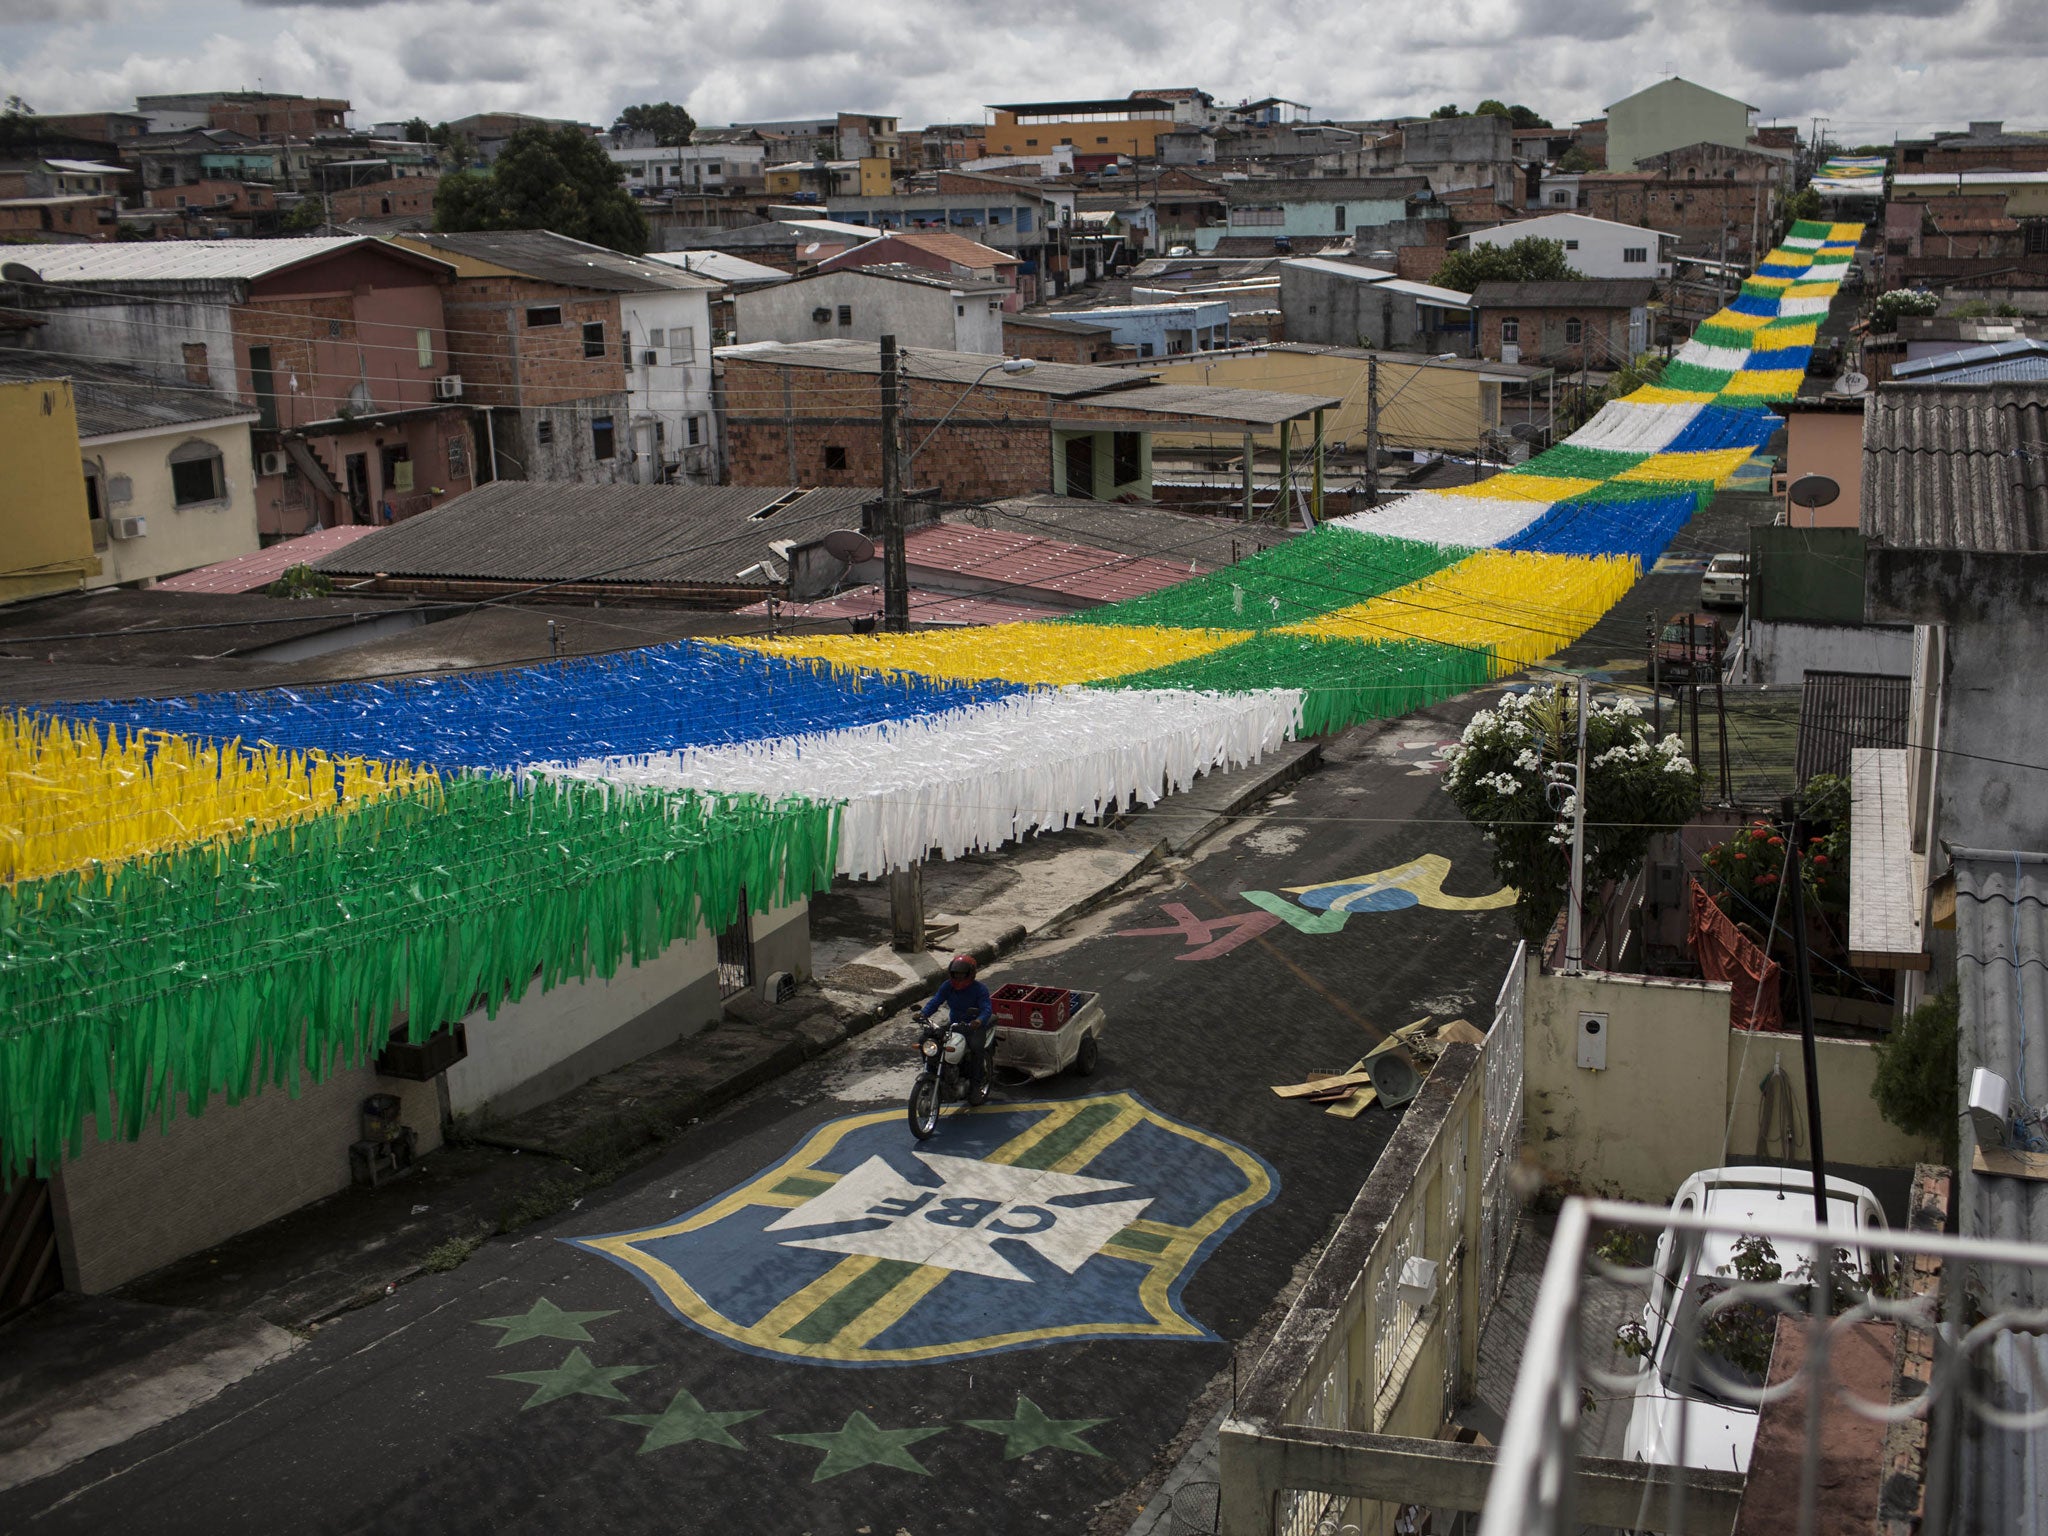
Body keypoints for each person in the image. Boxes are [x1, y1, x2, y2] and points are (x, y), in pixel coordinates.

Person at [920, 954, 994, 1091]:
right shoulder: (947, 986)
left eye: (962, 974)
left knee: (977, 1049)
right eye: (956, 974)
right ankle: (930, 1072)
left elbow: (987, 1009)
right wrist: (923, 1014)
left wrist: (978, 1020)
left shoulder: (980, 989)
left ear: (970, 974)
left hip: (973, 1027)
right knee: (926, 1039)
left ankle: (976, 1086)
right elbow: (935, 1001)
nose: (959, 977)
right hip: (955, 1024)